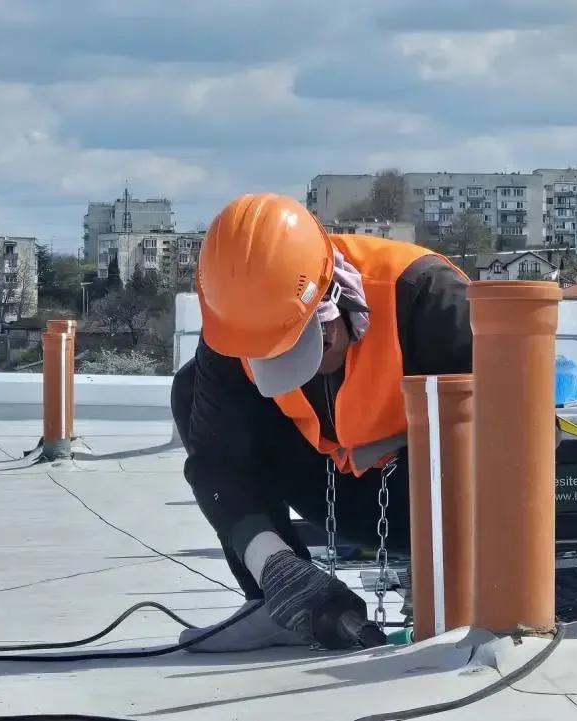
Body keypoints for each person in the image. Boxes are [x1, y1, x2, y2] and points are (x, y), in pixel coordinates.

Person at [170, 192, 473, 651]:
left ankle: (460, 582)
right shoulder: (233, 331)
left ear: (333, 303)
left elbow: (515, 433)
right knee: (192, 390)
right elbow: (217, 462)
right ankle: (279, 601)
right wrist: (272, 564)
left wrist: (399, 442)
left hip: (428, 502)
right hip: (335, 495)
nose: (305, 373)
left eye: (309, 348)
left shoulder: (426, 295)